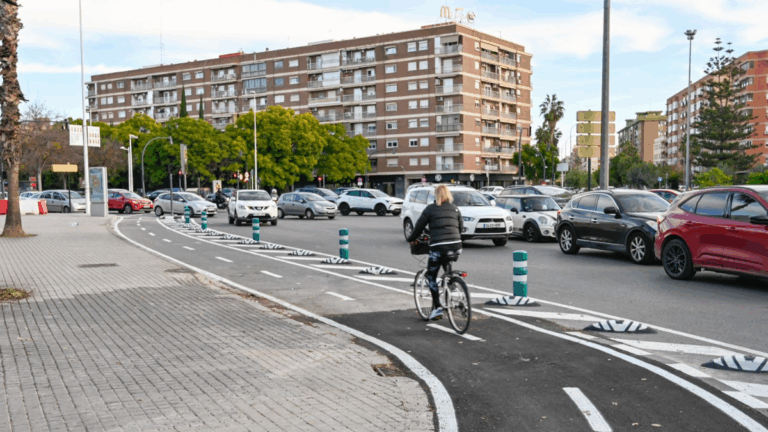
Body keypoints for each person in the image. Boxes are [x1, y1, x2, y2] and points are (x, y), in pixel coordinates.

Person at [406, 185, 463, 320]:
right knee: (447, 271)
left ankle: (437, 308)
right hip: (456, 246)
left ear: (436, 196)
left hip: (438, 246)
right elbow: (460, 228)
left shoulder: (430, 209)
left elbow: (419, 227)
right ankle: (451, 284)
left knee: (431, 276)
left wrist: (411, 239)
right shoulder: (455, 208)